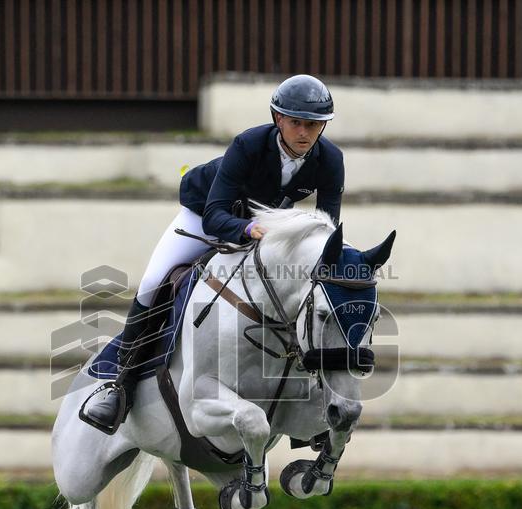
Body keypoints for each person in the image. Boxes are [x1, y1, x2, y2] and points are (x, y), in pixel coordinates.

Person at [83, 74, 346, 432]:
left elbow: (327, 228)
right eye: (296, 122)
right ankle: (120, 385)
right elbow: (214, 214)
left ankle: (308, 402)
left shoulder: (330, 159)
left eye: (313, 125)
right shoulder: (248, 145)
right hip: (206, 214)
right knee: (152, 281)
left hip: (263, 228)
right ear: (278, 119)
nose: (304, 132)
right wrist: (247, 229)